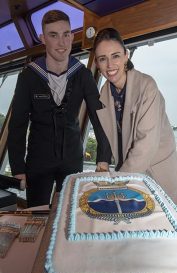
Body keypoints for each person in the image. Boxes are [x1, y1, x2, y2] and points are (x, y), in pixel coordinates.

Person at [7, 10, 110, 207]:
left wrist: (103, 159)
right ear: (43, 38)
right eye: (53, 35)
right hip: (38, 160)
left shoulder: (83, 75)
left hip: (72, 159)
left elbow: (99, 118)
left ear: (72, 36)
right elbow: (17, 124)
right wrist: (18, 168)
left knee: (68, 217)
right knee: (37, 216)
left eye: (66, 34)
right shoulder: (29, 76)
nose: (61, 43)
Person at [93, 27, 177, 204]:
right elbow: (108, 133)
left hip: (158, 171)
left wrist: (118, 182)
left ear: (126, 55)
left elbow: (146, 145)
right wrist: (103, 162)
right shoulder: (104, 92)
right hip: (130, 171)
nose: (109, 65)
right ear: (97, 63)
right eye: (103, 59)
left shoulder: (147, 86)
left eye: (115, 56)